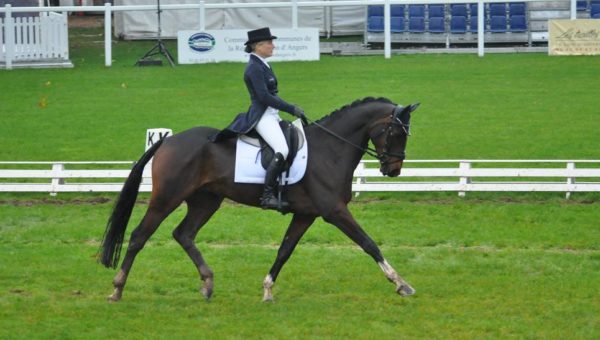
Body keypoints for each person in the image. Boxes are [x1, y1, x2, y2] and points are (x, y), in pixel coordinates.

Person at [211, 27, 305, 211]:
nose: (273, 46)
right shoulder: (253, 67)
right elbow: (264, 97)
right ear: (258, 46)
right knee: (282, 149)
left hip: (271, 114)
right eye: (270, 43)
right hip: (262, 116)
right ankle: (267, 196)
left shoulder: (263, 64)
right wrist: (291, 108)